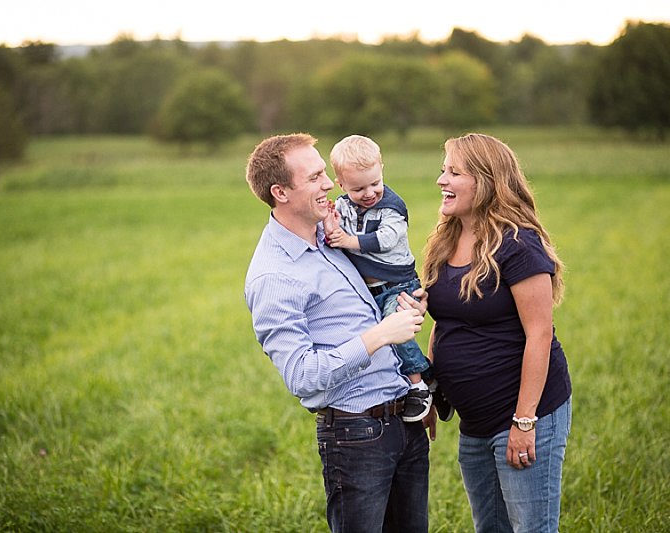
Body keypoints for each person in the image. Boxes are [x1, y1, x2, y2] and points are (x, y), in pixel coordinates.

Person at [244, 133, 431, 532]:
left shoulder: (329, 238)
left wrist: (408, 308)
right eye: (314, 177)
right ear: (280, 192)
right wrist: (382, 334)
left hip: (405, 422)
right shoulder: (274, 276)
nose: (329, 183)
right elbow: (304, 377)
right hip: (357, 435)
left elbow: (373, 301)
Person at [422, 133, 572, 533]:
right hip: (474, 422)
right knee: (490, 528)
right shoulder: (446, 239)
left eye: (454, 172)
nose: (441, 180)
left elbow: (540, 334)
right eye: (443, 170)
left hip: (521, 415)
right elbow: (445, 323)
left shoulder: (519, 245)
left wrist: (525, 422)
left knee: (531, 529)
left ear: (486, 181)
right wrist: (432, 393)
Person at [323, 134, 433, 423]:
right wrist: (331, 222)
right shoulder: (344, 205)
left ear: (381, 169)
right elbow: (335, 225)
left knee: (395, 330)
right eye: (358, 188)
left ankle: (418, 385)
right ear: (342, 185)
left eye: (375, 183)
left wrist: (348, 240)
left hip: (398, 284)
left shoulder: (392, 206)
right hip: (370, 288)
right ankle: (430, 376)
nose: (370, 192)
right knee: (379, 343)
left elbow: (386, 239)